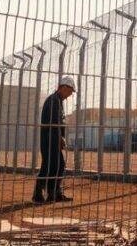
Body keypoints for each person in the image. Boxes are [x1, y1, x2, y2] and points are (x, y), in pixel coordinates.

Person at [33, 75, 76, 203]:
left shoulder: (57, 101)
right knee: (51, 165)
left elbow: (58, 122)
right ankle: (41, 194)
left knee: (54, 165)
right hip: (49, 140)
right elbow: (54, 123)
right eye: (69, 91)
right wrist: (60, 138)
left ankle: (52, 193)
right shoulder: (54, 101)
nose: (70, 94)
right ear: (63, 87)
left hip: (52, 140)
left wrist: (60, 137)